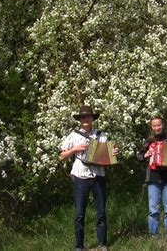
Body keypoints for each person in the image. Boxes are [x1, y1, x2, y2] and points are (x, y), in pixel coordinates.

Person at [59, 105, 119, 251]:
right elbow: (61, 157)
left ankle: (102, 244)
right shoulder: (73, 136)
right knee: (80, 212)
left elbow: (108, 157)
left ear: (92, 118)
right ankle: (79, 246)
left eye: (88, 116)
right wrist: (74, 149)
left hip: (98, 175)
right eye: (83, 117)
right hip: (80, 176)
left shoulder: (101, 135)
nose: (86, 119)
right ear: (80, 120)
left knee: (101, 211)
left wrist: (115, 152)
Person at [137, 116, 167, 236]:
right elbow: (139, 156)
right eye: (154, 126)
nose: (157, 127)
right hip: (153, 177)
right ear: (152, 127)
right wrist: (146, 154)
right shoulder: (149, 140)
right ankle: (154, 236)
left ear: (163, 125)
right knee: (153, 210)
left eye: (159, 125)